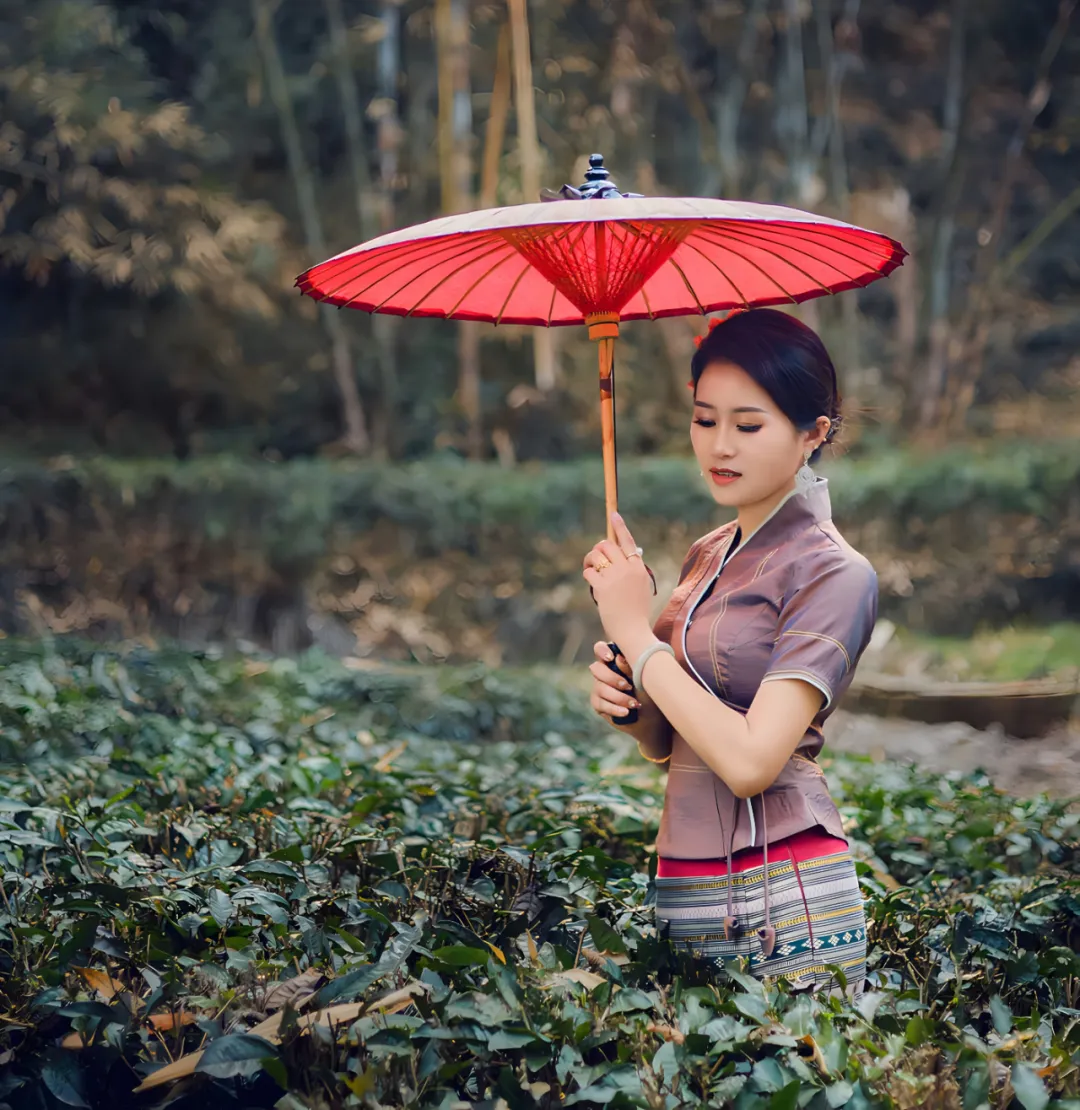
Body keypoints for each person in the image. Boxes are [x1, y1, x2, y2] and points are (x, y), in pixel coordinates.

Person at [582, 308, 877, 996]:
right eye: (703, 419)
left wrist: (634, 631)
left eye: (748, 426)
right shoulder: (708, 553)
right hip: (687, 870)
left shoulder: (836, 572)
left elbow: (749, 762)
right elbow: (674, 743)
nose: (719, 446)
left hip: (784, 885)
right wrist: (632, 706)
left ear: (813, 434)